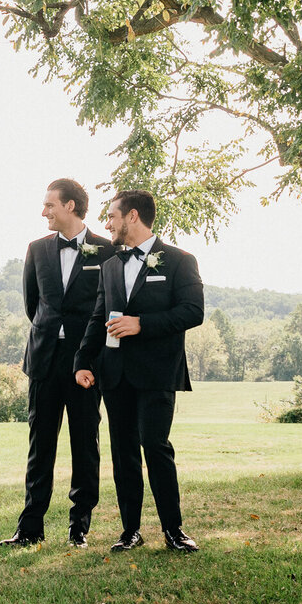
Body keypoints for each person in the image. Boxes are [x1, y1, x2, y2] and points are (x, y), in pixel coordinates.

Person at [73, 188, 204, 554]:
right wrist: (82, 360)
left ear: (132, 216)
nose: (107, 224)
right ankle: (130, 531)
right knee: (123, 452)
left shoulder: (179, 260)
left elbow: (193, 311)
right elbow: (99, 316)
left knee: (155, 446)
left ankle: (174, 530)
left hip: (158, 373)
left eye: (111, 216)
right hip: (114, 374)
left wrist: (141, 324)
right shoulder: (110, 266)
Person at [2, 178, 113, 548]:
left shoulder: (107, 250)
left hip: (86, 363)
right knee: (40, 446)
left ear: (70, 206)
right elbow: (33, 305)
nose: (44, 212)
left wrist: (89, 354)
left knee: (85, 444)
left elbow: (109, 306)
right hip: (44, 360)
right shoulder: (37, 249)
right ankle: (29, 527)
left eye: (49, 205)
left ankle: (79, 526)